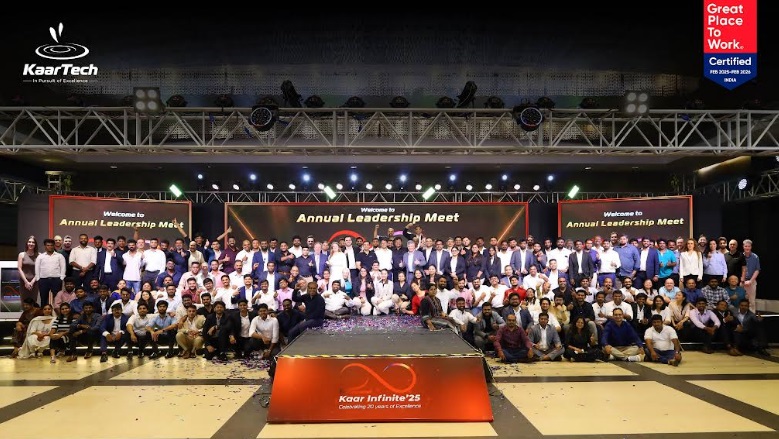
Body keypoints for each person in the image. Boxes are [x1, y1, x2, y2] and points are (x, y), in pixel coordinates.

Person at [246, 303, 280, 379]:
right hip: (262, 341)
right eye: (260, 311)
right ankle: (261, 352)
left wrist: (269, 350)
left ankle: (272, 372)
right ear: (258, 312)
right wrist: (262, 337)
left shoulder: (274, 320)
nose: (262, 313)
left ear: (267, 311)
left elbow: (275, 337)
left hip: (272, 343)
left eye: (264, 311)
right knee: (252, 341)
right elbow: (251, 333)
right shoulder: (255, 319)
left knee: (275, 356)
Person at [35, 238, 67, 308]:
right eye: (48, 245)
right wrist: (38, 278)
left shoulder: (59, 256)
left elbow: (63, 267)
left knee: (57, 299)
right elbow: (37, 268)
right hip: (43, 280)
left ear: (54, 246)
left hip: (56, 280)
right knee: (43, 299)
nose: (50, 247)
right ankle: (44, 313)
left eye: (51, 245)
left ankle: (56, 313)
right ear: (45, 246)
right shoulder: (40, 256)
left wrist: (61, 278)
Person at [18, 236, 39, 306]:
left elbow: (39, 270)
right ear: (27, 243)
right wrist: (26, 282)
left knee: (33, 302)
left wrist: (32, 282)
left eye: (33, 242)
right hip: (23, 282)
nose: (31, 244)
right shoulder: (21, 255)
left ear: (35, 244)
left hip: (35, 282)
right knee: (24, 302)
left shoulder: (39, 255)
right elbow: (19, 268)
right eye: (29, 242)